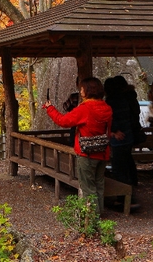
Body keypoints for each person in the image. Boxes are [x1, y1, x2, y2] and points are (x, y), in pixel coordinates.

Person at [43, 77, 112, 213]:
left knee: (87, 187)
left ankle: (92, 219)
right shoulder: (107, 108)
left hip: (86, 153)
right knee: (99, 184)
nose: (80, 92)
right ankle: (100, 214)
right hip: (103, 151)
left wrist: (50, 108)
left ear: (87, 91)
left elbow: (63, 121)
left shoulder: (85, 109)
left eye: (82, 89)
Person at [104, 76, 142, 211]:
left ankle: (126, 198)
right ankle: (131, 188)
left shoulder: (111, 102)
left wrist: (113, 131)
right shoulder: (126, 99)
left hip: (119, 139)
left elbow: (110, 118)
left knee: (119, 169)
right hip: (129, 136)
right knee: (127, 163)